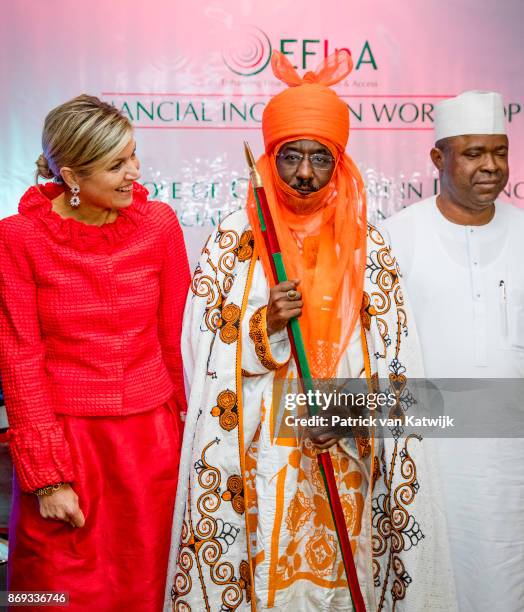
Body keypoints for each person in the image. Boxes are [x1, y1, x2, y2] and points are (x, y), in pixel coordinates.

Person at [165, 52, 455, 611]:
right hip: (258, 456)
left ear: (340, 163)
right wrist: (264, 325)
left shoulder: (369, 244)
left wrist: (346, 417)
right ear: (269, 159)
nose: (304, 174)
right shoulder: (235, 239)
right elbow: (200, 352)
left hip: (345, 458)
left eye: (319, 158)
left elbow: (397, 360)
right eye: (291, 157)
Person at [0, 95, 190, 611]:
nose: (134, 172)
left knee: (148, 586)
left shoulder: (159, 225)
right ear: (71, 177)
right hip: (66, 445)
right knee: (54, 589)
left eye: (133, 155)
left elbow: (178, 341)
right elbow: (19, 359)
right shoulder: (18, 238)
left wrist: (192, 437)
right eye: (116, 164)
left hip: (151, 445)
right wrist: (47, 477)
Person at [382, 91, 524, 611]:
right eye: (473, 153)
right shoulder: (395, 239)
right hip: (430, 453)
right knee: (432, 582)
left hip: (513, 457)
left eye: (500, 152)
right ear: (438, 159)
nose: (491, 166)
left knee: (508, 578)